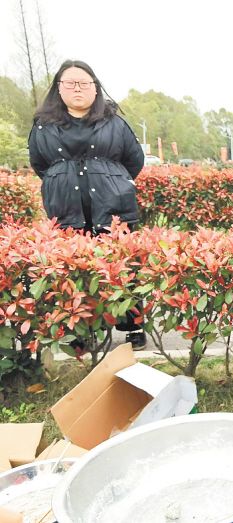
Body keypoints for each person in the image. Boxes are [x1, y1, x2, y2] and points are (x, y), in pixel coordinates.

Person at [28, 60, 147, 349]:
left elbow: (135, 161)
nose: (77, 88)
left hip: (114, 207)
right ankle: (80, 331)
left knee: (123, 267)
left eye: (84, 83)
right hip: (66, 209)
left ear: (95, 88)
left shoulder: (114, 121)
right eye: (69, 83)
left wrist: (108, 180)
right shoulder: (43, 126)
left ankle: (133, 327)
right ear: (59, 88)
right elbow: (40, 164)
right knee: (75, 272)